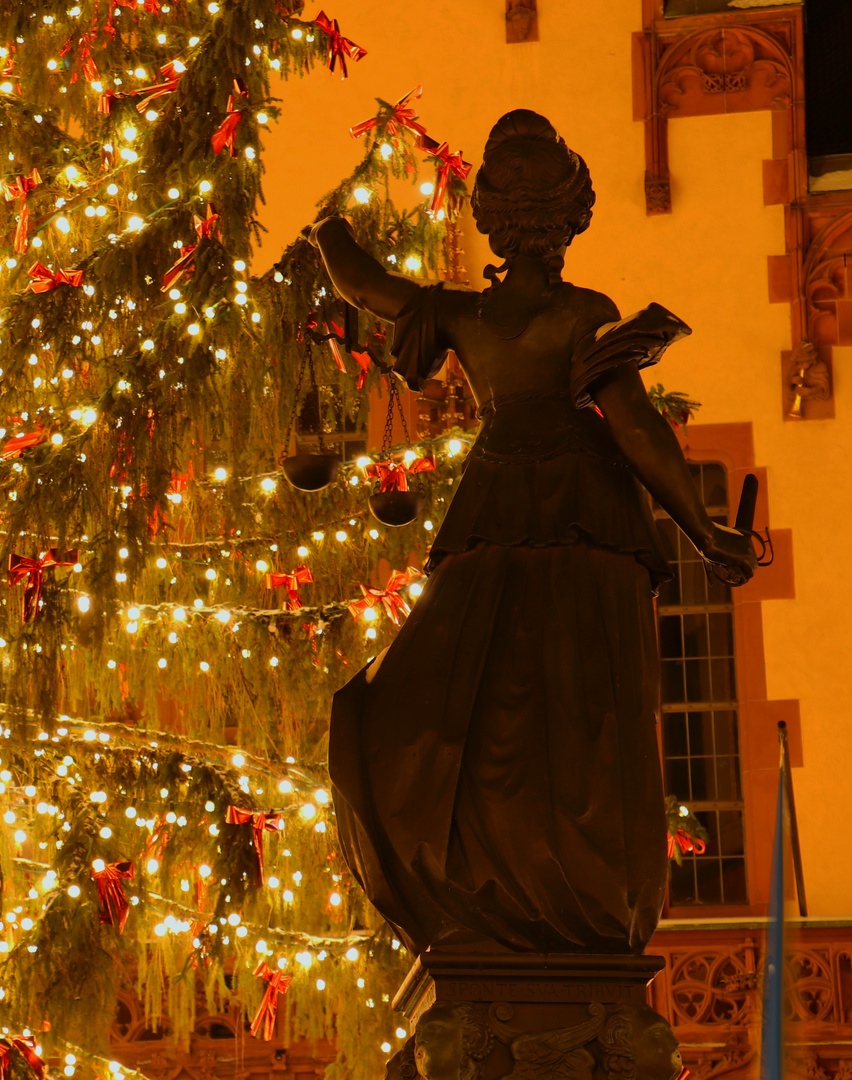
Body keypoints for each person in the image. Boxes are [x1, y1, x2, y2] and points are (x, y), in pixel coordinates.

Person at [312, 109, 756, 955]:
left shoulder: (464, 316)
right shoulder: (586, 312)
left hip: (498, 504)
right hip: (585, 514)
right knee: (579, 703)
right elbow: (633, 429)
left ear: (495, 221)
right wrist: (705, 531)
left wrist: (322, 227)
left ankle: (483, 863)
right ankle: (570, 883)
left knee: (471, 683)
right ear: (568, 221)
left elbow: (365, 285)